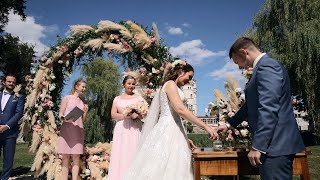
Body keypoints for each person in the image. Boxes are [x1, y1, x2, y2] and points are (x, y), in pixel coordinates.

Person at [217, 37, 305, 180]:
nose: (239, 67)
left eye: (237, 62)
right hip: (272, 146)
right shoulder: (261, 68)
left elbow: (268, 107)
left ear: (244, 52)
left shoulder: (267, 66)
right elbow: (250, 106)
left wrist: (258, 146)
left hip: (276, 145)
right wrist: (228, 125)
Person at [122, 60, 218, 180]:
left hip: (174, 130)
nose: (189, 80)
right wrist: (206, 127)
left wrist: (185, 138)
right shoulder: (170, 84)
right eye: (189, 77)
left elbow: (176, 117)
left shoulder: (175, 87)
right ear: (181, 72)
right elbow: (180, 109)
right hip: (167, 130)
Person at [108, 75, 147, 180]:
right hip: (122, 128)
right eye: (129, 83)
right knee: (121, 153)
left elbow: (144, 114)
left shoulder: (139, 98)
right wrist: (125, 116)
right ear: (124, 85)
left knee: (134, 151)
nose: (131, 86)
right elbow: (113, 115)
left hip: (135, 127)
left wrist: (137, 115)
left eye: (133, 84)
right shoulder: (117, 99)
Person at [57, 79, 88, 180]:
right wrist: (64, 118)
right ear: (76, 87)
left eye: (85, 87)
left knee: (76, 157)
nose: (84, 89)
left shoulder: (83, 102)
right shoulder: (67, 98)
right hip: (66, 130)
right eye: (82, 86)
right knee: (65, 157)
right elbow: (60, 114)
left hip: (78, 131)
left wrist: (85, 111)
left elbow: (83, 120)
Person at [0, 74, 25, 180]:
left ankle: (4, 178)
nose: (11, 83)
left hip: (10, 133)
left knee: (8, 159)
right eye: (9, 81)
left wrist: (7, 126)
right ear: (4, 82)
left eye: (13, 82)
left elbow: (18, 114)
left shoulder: (19, 97)